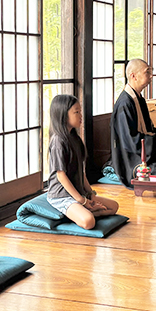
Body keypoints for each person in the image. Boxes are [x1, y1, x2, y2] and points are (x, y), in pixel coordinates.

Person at [109, 58, 156, 187]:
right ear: (133, 76)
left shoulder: (139, 99)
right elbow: (131, 141)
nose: (151, 76)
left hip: (144, 151)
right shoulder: (125, 104)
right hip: (131, 159)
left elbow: (148, 130)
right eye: (147, 72)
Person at [46, 94, 119, 230]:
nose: (81, 116)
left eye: (80, 111)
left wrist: (91, 194)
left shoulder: (75, 138)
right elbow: (61, 176)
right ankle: (83, 213)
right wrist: (82, 201)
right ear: (63, 115)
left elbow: (81, 172)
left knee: (114, 206)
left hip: (79, 193)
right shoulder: (58, 141)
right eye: (76, 112)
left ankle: (85, 212)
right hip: (62, 196)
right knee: (89, 222)